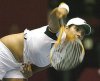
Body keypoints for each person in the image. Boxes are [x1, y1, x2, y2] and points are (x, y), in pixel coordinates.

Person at [0, 2, 91, 81]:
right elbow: (53, 18)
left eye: (82, 34)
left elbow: (36, 68)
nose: (79, 34)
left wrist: (30, 72)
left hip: (19, 66)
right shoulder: (57, 31)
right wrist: (61, 10)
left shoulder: (61, 54)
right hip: (5, 53)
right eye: (77, 29)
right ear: (66, 28)